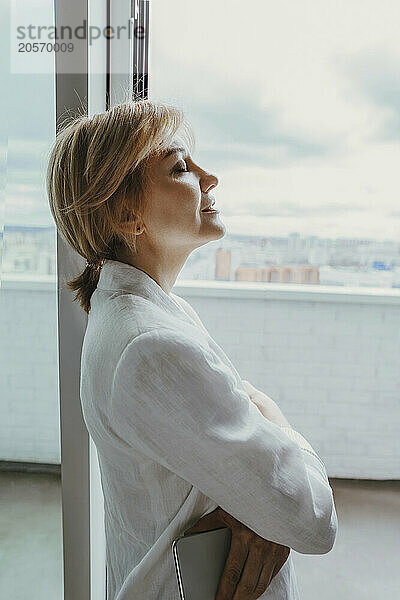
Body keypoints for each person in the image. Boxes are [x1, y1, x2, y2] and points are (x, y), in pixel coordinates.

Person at [46, 98, 338, 600]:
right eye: (180, 166)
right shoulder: (151, 347)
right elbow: (311, 520)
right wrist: (277, 420)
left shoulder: (141, 316)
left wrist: (255, 507)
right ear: (125, 213)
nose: (210, 178)